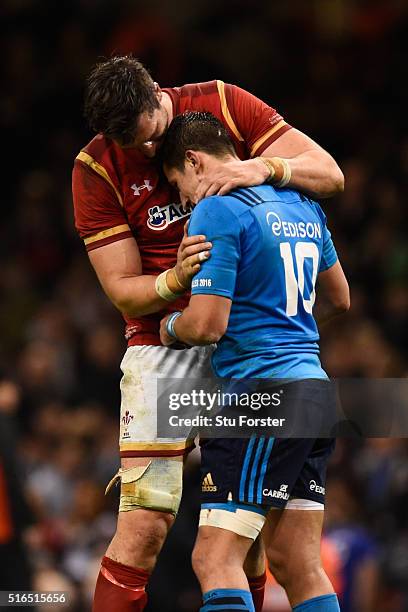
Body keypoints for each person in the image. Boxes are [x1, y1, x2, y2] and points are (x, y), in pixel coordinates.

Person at [72, 55, 344, 612]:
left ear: (157, 94)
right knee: (147, 524)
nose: (149, 156)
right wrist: (175, 282)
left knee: (243, 551)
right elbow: (123, 290)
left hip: (240, 346)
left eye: (153, 140)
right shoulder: (95, 169)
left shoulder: (221, 103)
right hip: (166, 347)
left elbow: (330, 174)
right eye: (132, 148)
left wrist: (262, 168)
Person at [159, 111, 350, 612]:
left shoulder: (216, 208)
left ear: (194, 161)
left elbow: (205, 325)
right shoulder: (302, 202)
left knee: (215, 559)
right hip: (314, 389)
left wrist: (167, 327)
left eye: (179, 186)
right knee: (297, 562)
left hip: (261, 395)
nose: (183, 202)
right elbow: (338, 300)